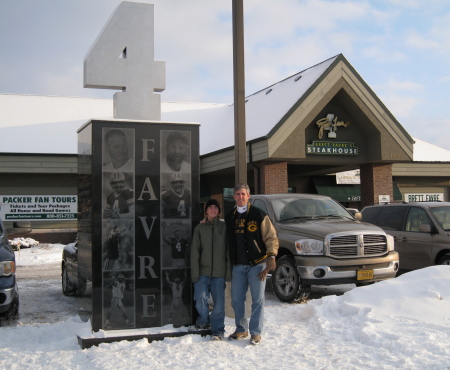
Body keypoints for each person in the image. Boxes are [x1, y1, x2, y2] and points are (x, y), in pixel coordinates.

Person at [225, 183, 278, 345]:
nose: (240, 197)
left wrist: (271, 256)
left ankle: (256, 332)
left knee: (258, 299)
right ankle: (241, 329)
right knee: (236, 300)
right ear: (234, 197)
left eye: (243, 194)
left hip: (258, 265)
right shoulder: (230, 216)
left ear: (248, 196)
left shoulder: (259, 214)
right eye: (238, 194)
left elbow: (271, 237)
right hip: (238, 266)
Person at [190, 199, 230, 341]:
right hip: (203, 272)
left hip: (219, 273)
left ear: (219, 211)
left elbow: (228, 251)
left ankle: (218, 330)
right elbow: (195, 252)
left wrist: (228, 273)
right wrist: (195, 274)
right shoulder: (199, 229)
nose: (213, 210)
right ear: (206, 210)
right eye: (210, 208)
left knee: (219, 303)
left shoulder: (224, 227)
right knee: (200, 297)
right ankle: (203, 321)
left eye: (216, 208)